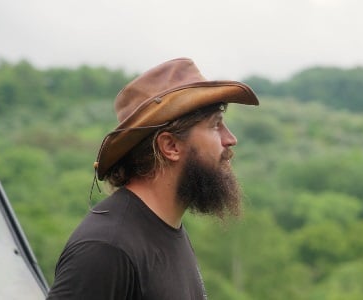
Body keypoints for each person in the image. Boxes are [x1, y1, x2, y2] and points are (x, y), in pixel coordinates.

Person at [46, 58, 259, 299]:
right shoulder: (107, 248)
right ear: (170, 145)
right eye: (215, 125)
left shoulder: (167, 227)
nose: (230, 139)